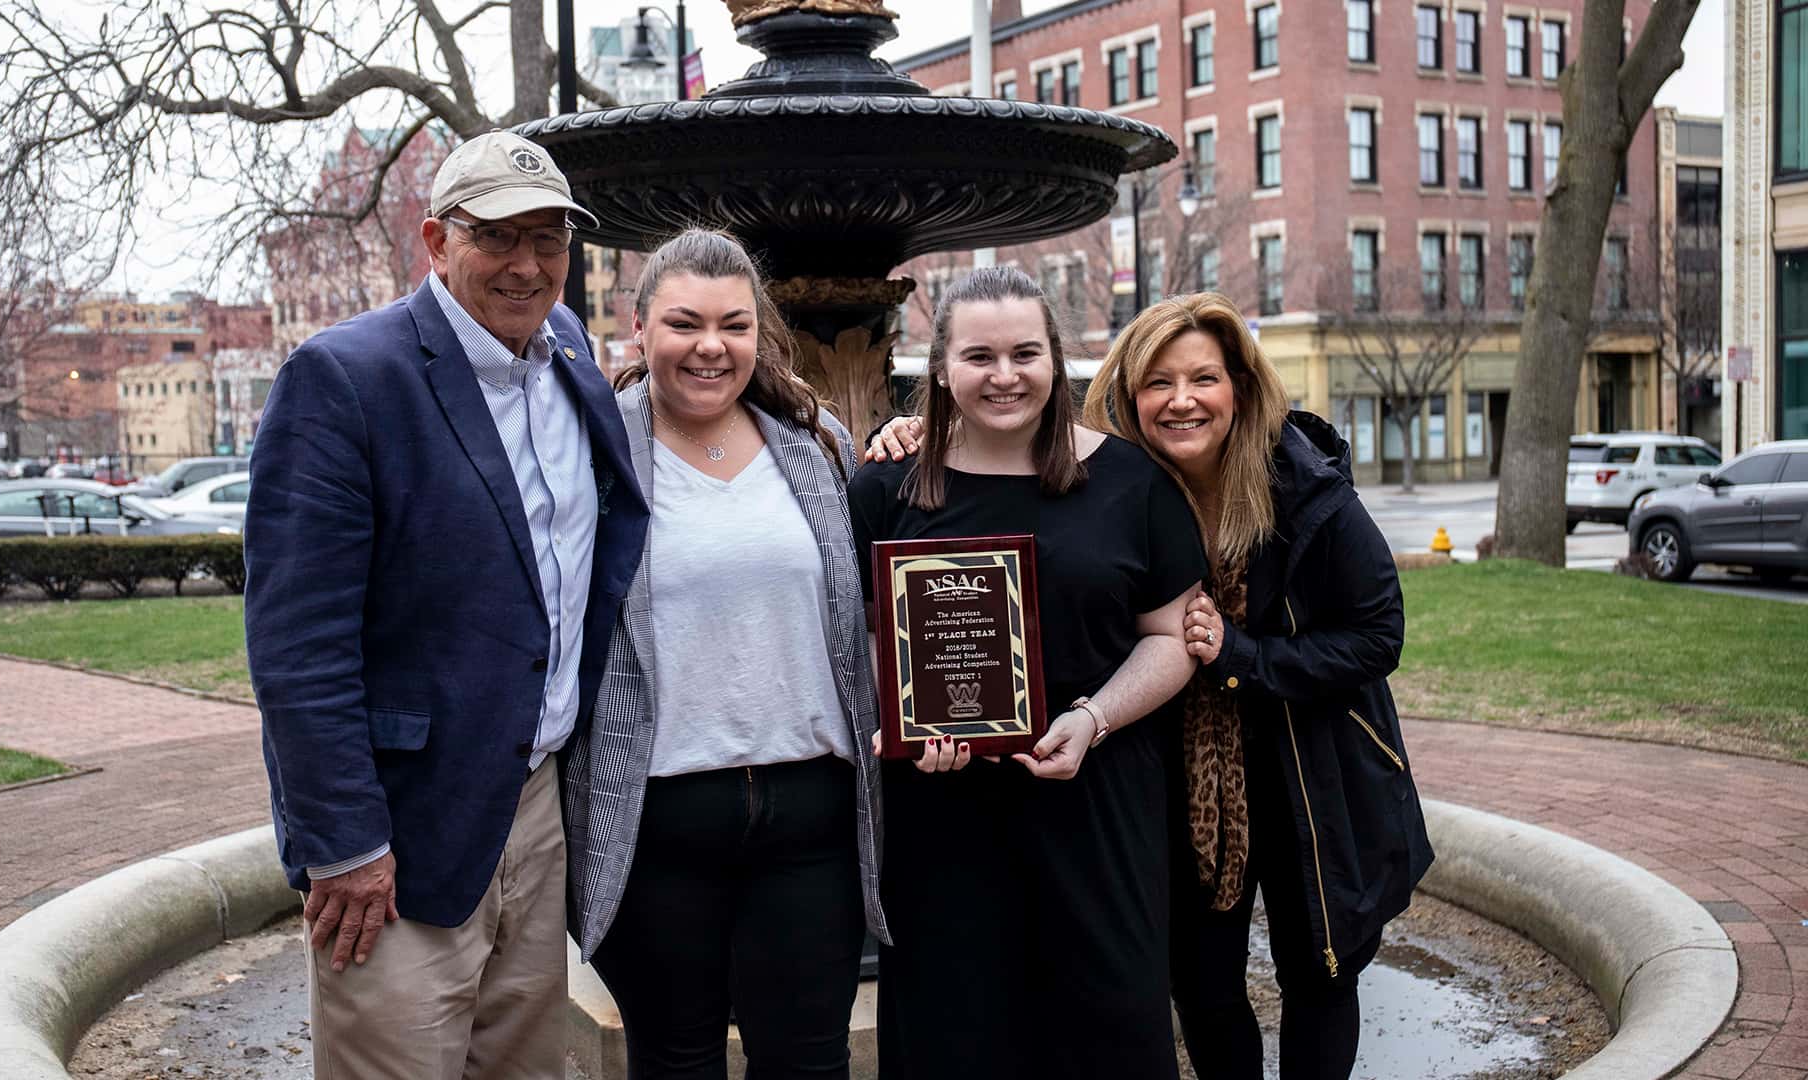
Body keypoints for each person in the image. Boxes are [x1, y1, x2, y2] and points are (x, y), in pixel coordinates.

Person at [870, 290, 1434, 1078]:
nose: (1182, 400)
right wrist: (904, 718)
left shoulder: (1295, 488)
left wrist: (1237, 657)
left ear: (1239, 384)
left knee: (1317, 966)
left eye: (1203, 378)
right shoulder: (1098, 472)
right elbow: (867, 632)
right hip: (1158, 767)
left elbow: (1376, 634)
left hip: (1296, 759)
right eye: (1158, 383)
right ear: (1126, 394)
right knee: (1201, 983)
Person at [243, 131, 648, 1080]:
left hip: (541, 803)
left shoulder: (570, 354)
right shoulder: (344, 379)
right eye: (497, 236)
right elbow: (298, 646)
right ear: (435, 239)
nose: (527, 263)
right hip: (404, 831)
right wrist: (344, 843)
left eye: (549, 239)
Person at [847, 267, 1205, 1080]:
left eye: (1024, 354)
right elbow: (863, 639)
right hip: (944, 820)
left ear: (1056, 361)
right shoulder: (884, 486)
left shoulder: (1130, 482)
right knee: (957, 1037)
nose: (1004, 376)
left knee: (1109, 1032)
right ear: (940, 367)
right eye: (979, 356)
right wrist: (904, 722)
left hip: (1097, 808)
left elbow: (1170, 636)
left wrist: (1095, 717)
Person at [566, 228, 887, 1079]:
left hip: (810, 818)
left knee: (810, 1062)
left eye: (734, 326)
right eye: (684, 323)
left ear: (760, 334)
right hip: (658, 817)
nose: (711, 346)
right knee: (675, 1062)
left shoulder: (818, 445)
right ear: (640, 330)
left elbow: (873, 596)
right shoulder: (593, 450)